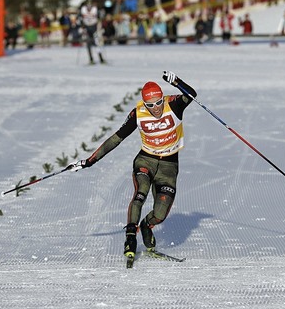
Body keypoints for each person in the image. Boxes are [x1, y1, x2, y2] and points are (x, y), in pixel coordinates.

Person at [67, 71, 197, 263]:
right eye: (150, 105)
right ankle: (130, 237)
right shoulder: (138, 114)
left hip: (169, 166)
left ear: (163, 98)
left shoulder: (174, 105)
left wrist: (176, 82)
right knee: (140, 193)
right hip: (146, 161)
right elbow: (116, 138)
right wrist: (89, 160)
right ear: (145, 104)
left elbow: (191, 95)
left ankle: (146, 225)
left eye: (159, 102)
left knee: (160, 214)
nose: (156, 108)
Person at [80, 0, 105, 64]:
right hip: (87, 28)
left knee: (97, 43)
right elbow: (81, 19)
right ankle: (91, 59)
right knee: (88, 44)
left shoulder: (95, 9)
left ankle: (101, 58)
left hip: (94, 28)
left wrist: (100, 27)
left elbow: (99, 18)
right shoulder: (83, 10)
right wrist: (82, 27)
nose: (89, 7)